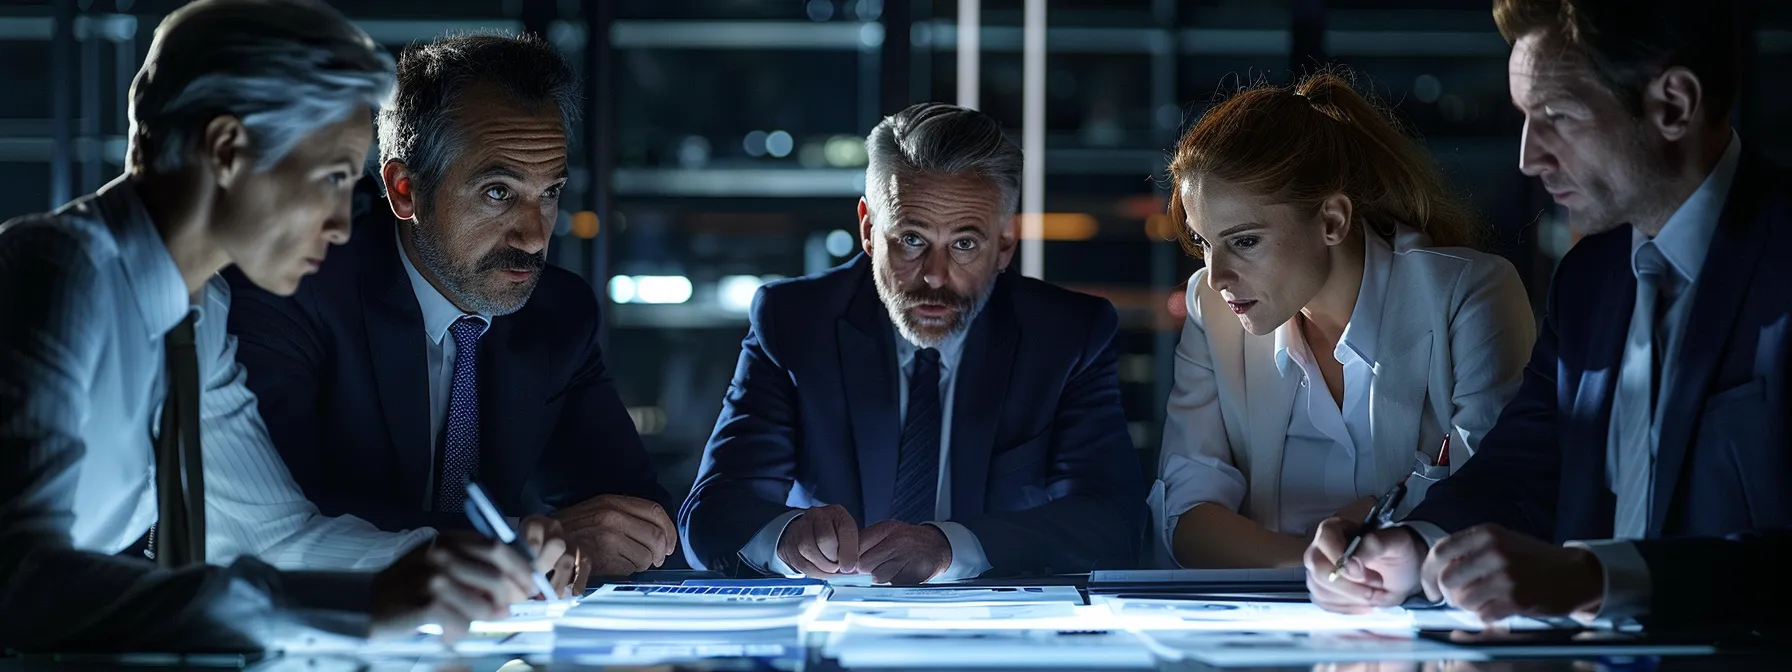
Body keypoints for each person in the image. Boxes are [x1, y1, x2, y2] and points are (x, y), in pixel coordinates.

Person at [0, 0, 567, 651]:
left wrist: (456, 563)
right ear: (227, 149)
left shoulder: (197, 313)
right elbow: (19, 580)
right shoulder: (59, 270)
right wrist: (355, 606)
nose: (341, 223)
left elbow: (270, 535)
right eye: (329, 177)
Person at [1306, 0, 1792, 629]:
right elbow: (1526, 467)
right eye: (1525, 119)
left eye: (1557, 117)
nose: (1529, 157)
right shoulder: (1590, 279)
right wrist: (1415, 544)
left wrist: (1594, 580)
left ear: (1674, 104)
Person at [226, 33, 677, 583]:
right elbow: (275, 522)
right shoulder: (299, 292)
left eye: (550, 193)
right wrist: (513, 548)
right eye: (498, 193)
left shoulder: (557, 312)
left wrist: (612, 539)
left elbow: (635, 519)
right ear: (404, 191)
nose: (535, 237)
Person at [680, 102, 1146, 583]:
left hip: (998, 632)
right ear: (867, 228)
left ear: (1005, 244)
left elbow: (1112, 523)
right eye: (910, 239)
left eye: (965, 243)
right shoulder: (795, 322)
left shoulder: (1067, 335)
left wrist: (952, 547)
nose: (935, 276)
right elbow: (712, 510)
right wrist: (785, 535)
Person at [1155, 71, 1535, 569]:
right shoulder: (1212, 308)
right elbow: (1186, 509)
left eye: (1244, 241)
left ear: (1332, 220)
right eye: (1204, 243)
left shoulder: (1467, 295)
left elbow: (1490, 498)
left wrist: (1334, 572)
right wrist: (1314, 571)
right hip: (1266, 619)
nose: (1217, 275)